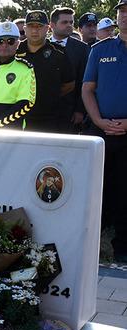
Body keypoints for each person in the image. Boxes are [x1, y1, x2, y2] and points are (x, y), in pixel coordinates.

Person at [82, 0, 127, 262]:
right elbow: (87, 89)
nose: (124, 16)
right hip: (101, 133)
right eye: (121, 10)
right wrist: (98, 121)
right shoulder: (100, 49)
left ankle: (122, 251)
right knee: (99, 191)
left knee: (125, 193)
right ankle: (94, 248)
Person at [16, 10, 75, 132]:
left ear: (48, 28)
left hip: (49, 119)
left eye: (39, 26)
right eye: (31, 26)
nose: (35, 30)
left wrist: (48, 95)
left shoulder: (59, 53)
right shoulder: (15, 51)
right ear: (25, 29)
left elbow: (69, 84)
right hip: (17, 117)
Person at [50, 6, 90, 132]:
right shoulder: (41, 46)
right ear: (52, 25)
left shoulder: (82, 49)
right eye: (64, 22)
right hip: (43, 112)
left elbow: (84, 81)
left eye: (71, 22)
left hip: (70, 113)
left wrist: (80, 110)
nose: (69, 25)